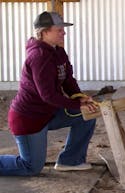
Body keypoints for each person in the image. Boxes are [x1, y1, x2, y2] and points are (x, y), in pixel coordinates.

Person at [0, 11, 99, 176]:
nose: (64, 32)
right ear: (45, 32)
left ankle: (70, 161)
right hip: (29, 118)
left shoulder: (58, 51)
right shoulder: (38, 56)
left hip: (49, 113)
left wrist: (80, 97)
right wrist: (76, 104)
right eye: (59, 29)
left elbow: (68, 80)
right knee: (30, 167)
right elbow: (48, 95)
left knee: (88, 115)